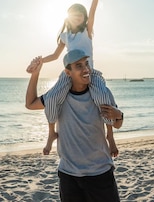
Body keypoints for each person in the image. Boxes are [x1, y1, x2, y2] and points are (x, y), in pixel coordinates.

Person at [26, 0, 118, 157]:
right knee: (52, 98)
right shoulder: (65, 35)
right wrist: (39, 62)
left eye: (80, 15)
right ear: (68, 17)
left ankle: (110, 136)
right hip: (69, 74)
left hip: (90, 73)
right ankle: (52, 132)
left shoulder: (87, 31)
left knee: (104, 96)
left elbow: (93, 11)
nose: (78, 17)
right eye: (74, 14)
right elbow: (55, 55)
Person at [25, 49, 124, 202]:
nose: (85, 69)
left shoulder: (101, 94)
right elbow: (30, 104)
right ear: (68, 72)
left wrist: (119, 115)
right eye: (79, 66)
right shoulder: (58, 98)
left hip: (100, 172)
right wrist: (35, 73)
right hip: (69, 175)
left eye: (86, 64)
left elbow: (117, 124)